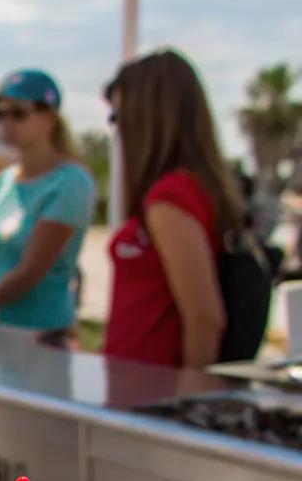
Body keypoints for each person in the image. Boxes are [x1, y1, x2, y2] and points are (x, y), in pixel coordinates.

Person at [103, 49, 242, 369]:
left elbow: (204, 317)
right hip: (134, 385)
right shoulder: (185, 190)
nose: (118, 131)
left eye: (118, 117)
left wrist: (186, 403)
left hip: (152, 391)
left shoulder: (171, 198)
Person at [0, 69, 95, 340]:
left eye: (18, 113)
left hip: (38, 335)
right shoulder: (2, 180)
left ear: (49, 117)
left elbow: (29, 274)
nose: (6, 122)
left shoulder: (71, 183)